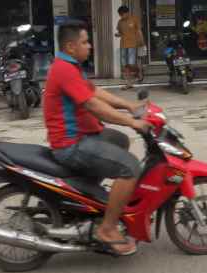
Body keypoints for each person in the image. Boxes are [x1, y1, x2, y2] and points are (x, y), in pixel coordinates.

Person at [44, 23, 151, 256]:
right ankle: (108, 228)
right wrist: (132, 122)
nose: (90, 46)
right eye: (85, 42)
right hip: (71, 145)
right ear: (71, 46)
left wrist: (129, 105)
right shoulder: (64, 69)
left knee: (119, 140)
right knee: (130, 167)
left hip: (82, 135)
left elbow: (94, 92)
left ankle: (91, 196)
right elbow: (93, 105)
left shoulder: (71, 67)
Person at [116, 5, 144, 90]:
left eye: (122, 14)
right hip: (123, 45)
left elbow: (139, 31)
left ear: (127, 13)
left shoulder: (134, 19)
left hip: (133, 44)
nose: (121, 16)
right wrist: (118, 35)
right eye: (120, 14)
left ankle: (139, 71)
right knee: (125, 65)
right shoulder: (120, 22)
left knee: (131, 64)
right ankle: (129, 84)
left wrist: (142, 41)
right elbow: (120, 32)